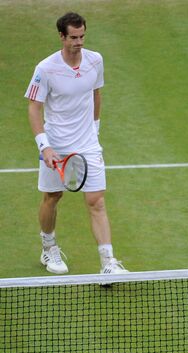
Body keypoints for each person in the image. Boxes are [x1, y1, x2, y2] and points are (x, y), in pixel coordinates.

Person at [25, 12, 128, 275]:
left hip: (88, 144)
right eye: (73, 37)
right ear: (61, 36)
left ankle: (108, 263)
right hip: (56, 145)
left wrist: (95, 129)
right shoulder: (45, 68)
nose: (79, 42)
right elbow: (34, 108)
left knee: (97, 201)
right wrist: (44, 146)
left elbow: (96, 93)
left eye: (82, 36)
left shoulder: (95, 61)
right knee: (52, 197)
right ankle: (48, 248)